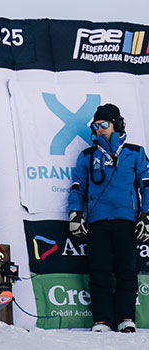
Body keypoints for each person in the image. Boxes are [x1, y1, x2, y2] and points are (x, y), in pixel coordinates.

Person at [68, 103, 149, 333]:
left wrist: (146, 214)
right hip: (98, 222)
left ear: (117, 125)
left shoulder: (135, 152)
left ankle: (126, 317)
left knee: (126, 270)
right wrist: (75, 213)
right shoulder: (87, 156)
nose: (99, 129)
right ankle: (102, 319)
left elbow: (146, 185)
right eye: (96, 126)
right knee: (99, 270)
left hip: (126, 220)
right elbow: (77, 187)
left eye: (104, 124)